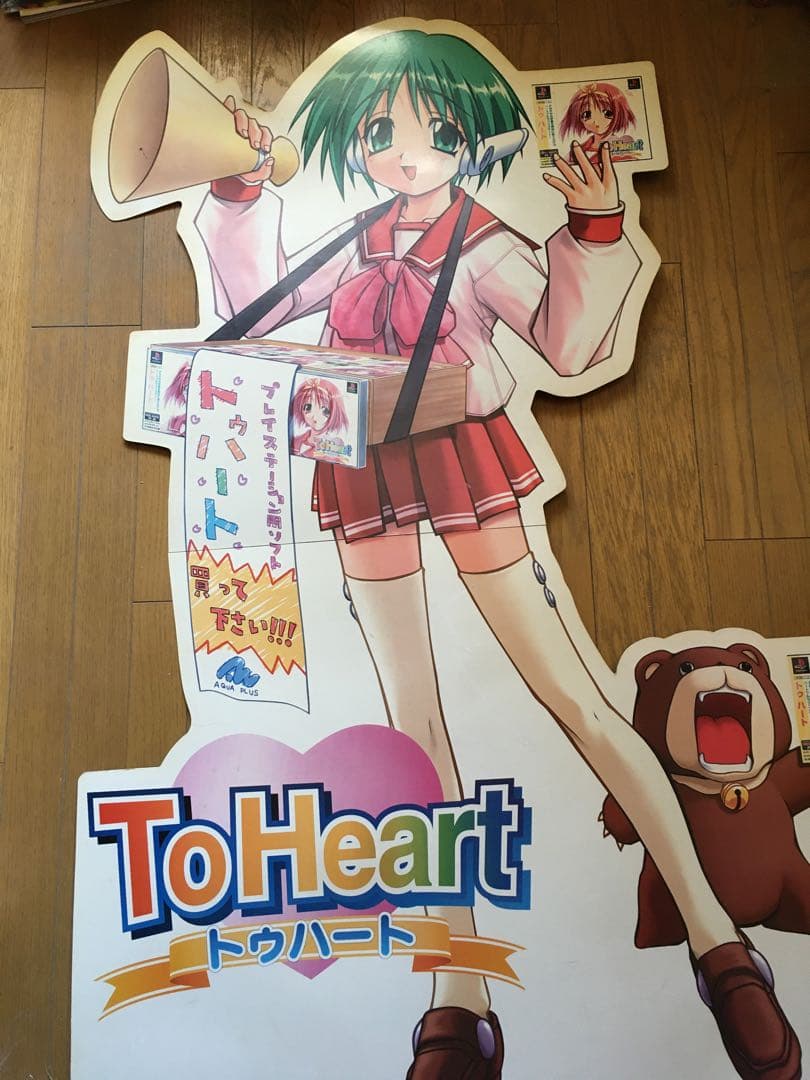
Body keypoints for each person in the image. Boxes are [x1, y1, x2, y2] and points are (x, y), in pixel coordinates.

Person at [193, 29, 799, 1080]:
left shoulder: (479, 241)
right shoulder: (350, 240)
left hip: (461, 456)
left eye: (433, 130)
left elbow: (566, 342)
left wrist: (594, 228)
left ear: (471, 139)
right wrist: (241, 190)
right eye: (380, 133)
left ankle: (719, 943)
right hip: (361, 462)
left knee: (573, 695)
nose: (404, 152)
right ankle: (456, 992)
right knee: (412, 722)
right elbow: (255, 311)